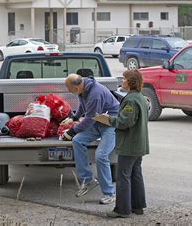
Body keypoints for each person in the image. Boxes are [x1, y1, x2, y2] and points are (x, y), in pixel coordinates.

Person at [63, 73, 120, 205]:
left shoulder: (95, 94)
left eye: (69, 89)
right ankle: (88, 180)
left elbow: (89, 119)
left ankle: (109, 193)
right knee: (77, 141)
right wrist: (75, 117)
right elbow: (83, 105)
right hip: (98, 122)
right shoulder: (84, 89)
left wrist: (72, 130)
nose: (68, 91)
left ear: (76, 88)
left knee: (101, 155)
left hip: (110, 124)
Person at [102, 69, 149, 218]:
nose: (122, 81)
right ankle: (138, 206)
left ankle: (122, 210)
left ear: (130, 82)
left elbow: (125, 122)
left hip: (129, 145)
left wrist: (108, 119)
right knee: (136, 175)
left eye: (124, 78)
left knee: (123, 177)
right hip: (139, 144)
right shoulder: (140, 97)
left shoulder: (130, 100)